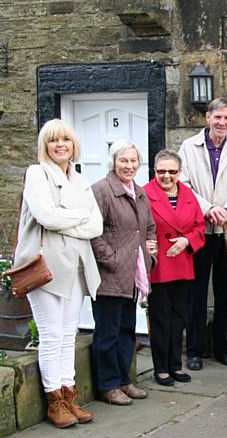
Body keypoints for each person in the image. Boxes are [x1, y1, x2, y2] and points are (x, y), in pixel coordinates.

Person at [14, 119, 102, 428]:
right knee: (52, 336)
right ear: (45, 146)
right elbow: (46, 216)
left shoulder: (79, 179)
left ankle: (69, 393)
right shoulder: (37, 174)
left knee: (68, 334)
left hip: (76, 266)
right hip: (47, 267)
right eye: (53, 140)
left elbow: (97, 225)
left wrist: (68, 217)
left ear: (73, 144)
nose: (60, 144)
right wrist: (78, 216)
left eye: (65, 138)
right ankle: (55, 401)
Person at [179, 97, 227, 370]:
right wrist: (209, 208)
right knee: (196, 292)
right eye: (217, 117)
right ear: (207, 118)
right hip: (199, 227)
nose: (222, 122)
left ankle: (224, 348)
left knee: (226, 291)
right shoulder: (189, 147)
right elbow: (183, 183)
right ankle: (195, 350)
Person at [91, 140, 156, 405]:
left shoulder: (139, 192)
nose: (129, 166)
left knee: (127, 330)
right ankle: (107, 385)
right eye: (123, 160)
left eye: (133, 161)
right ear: (113, 162)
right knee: (107, 333)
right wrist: (112, 260)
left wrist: (150, 255)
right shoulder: (101, 190)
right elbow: (93, 232)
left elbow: (149, 227)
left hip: (133, 274)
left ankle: (124, 381)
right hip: (110, 274)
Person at [143, 150, 206, 386]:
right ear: (154, 172)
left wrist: (187, 240)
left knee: (179, 317)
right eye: (161, 171)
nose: (167, 176)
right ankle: (161, 368)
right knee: (161, 318)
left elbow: (200, 227)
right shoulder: (144, 194)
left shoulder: (188, 194)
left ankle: (175, 365)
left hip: (182, 263)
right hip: (159, 265)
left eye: (172, 171)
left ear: (180, 172)